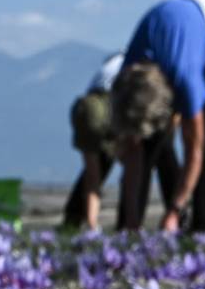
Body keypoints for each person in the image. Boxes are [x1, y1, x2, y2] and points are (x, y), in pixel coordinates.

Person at [110, 0, 205, 233]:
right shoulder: (126, 75)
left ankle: (202, 229)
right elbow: (133, 149)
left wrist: (174, 210)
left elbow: (195, 148)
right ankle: (128, 228)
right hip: (180, 34)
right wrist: (131, 220)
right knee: (148, 142)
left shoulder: (184, 78)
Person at [63, 52, 181, 231]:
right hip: (114, 105)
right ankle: (129, 224)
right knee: (143, 159)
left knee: (98, 171)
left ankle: (84, 221)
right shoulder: (139, 69)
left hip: (101, 106)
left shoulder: (120, 78)